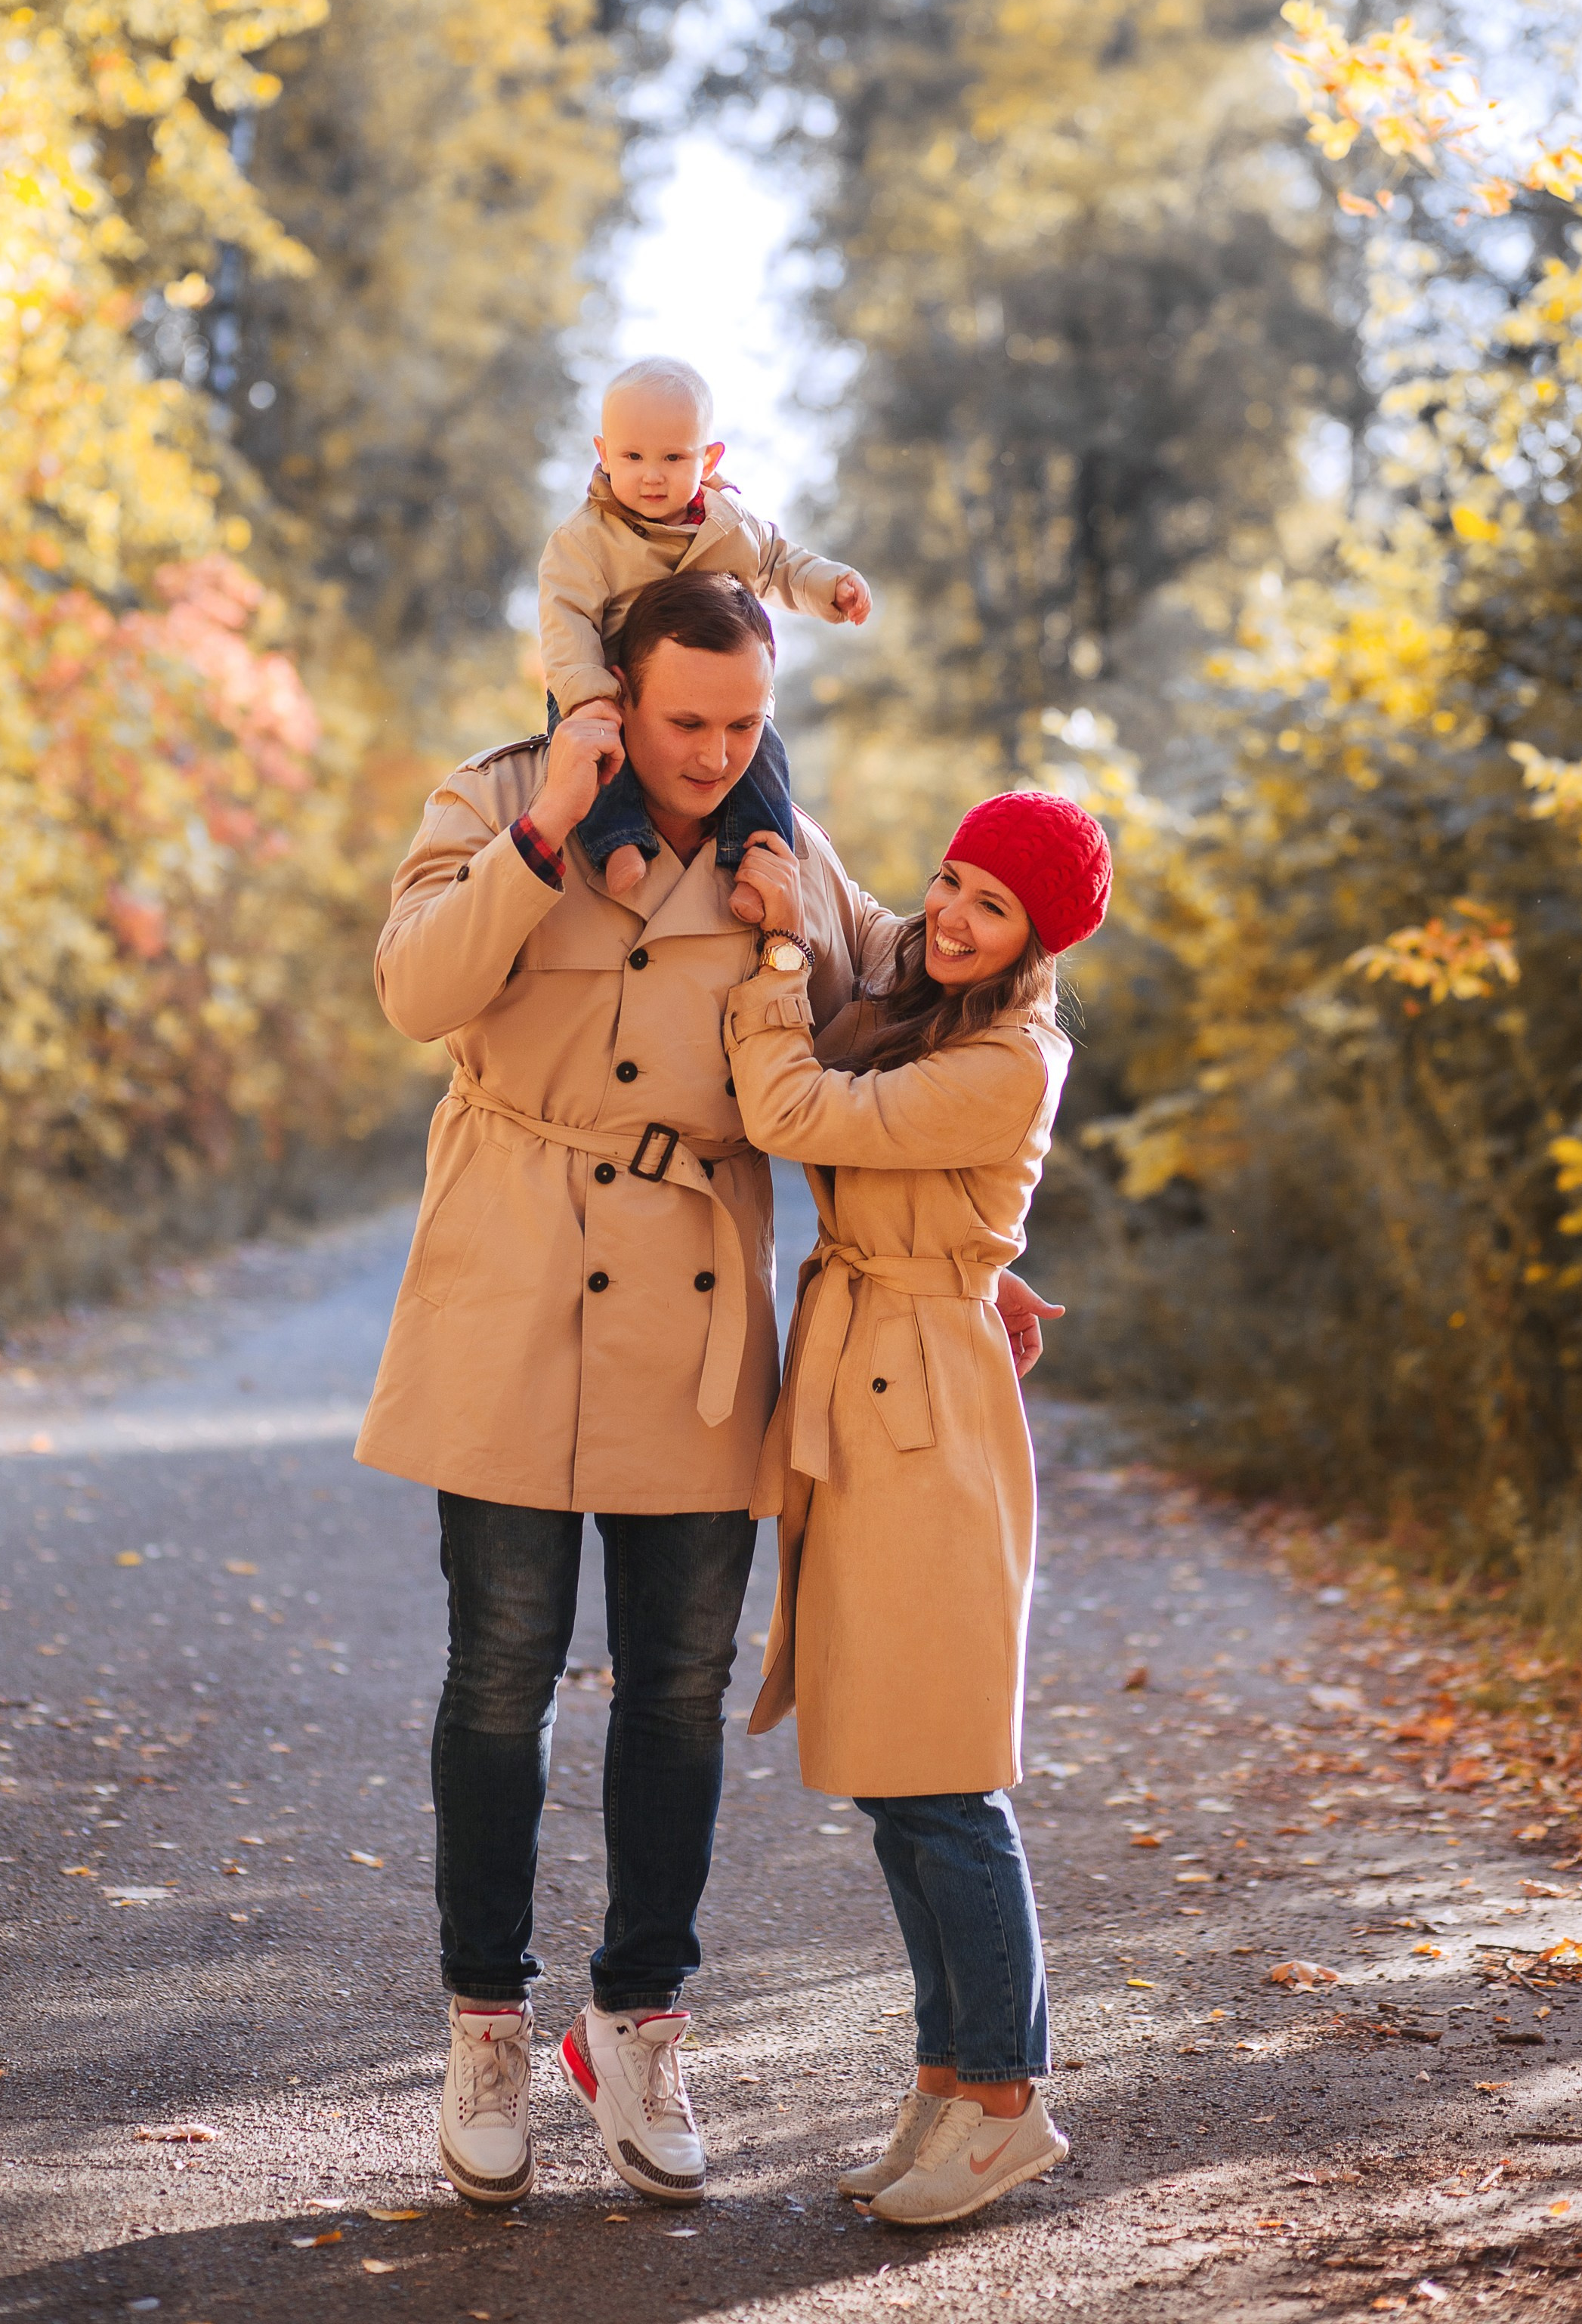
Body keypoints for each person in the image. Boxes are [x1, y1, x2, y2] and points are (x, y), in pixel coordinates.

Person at [357, 572, 956, 2209]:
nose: (714, 752)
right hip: (510, 1286)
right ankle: (486, 2024)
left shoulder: (784, 848)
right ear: (615, 689)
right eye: (685, 720)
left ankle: (641, 2022)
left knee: (679, 1689)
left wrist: (982, 1241)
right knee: (501, 1675)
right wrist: (546, 825)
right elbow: (414, 994)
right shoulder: (494, 795)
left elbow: (882, 1053)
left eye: (746, 721)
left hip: (693, 1313)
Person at [721, 789, 1113, 2228]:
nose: (949, 914)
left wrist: (771, 973)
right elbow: (836, 881)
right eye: (951, 881)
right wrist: (748, 760)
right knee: (895, 1776)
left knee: (943, 1777)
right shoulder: (923, 983)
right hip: (884, 1367)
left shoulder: (1009, 1055)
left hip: (927, 1411)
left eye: (989, 907)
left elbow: (794, 1109)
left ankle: (1009, 2098)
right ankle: (947, 2077)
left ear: (1037, 942)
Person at [538, 355, 871, 911]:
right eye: (632, 456)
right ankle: (617, 842)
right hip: (610, 680)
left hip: (719, 687)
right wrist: (588, 693)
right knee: (588, 748)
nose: (651, 474)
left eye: (673, 457)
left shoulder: (731, 524)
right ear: (603, 454)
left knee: (761, 752)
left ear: (708, 457)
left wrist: (832, 585)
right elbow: (565, 618)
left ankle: (759, 859)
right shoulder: (585, 540)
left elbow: (780, 565)